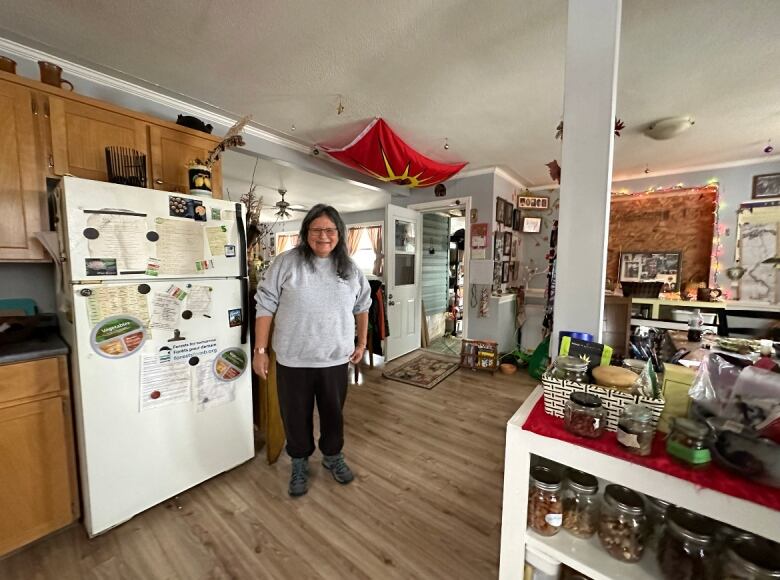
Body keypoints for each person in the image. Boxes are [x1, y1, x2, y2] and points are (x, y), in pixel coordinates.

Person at [253, 204, 371, 497]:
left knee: (333, 414)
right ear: (306, 233)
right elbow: (265, 304)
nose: (323, 236)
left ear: (340, 234)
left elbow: (363, 305)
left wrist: (362, 343)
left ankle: (332, 457)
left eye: (330, 230)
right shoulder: (286, 263)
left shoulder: (350, 268)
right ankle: (299, 461)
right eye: (316, 230)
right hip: (293, 358)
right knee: (295, 415)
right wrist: (260, 350)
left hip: (334, 358)